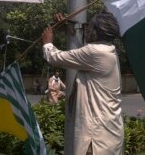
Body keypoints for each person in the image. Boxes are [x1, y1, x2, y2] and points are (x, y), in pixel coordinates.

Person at [42, 10, 123, 154]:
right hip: (109, 132)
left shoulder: (94, 52)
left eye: (90, 26)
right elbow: (82, 48)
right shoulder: (109, 50)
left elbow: (56, 57)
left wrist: (47, 43)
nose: (87, 29)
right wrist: (68, 27)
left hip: (96, 137)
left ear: (98, 31)